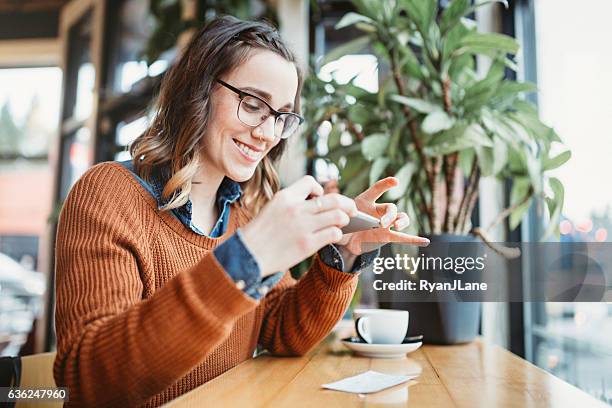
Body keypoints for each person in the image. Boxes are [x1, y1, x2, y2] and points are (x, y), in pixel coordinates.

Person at [53, 15, 429, 407]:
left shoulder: (245, 212)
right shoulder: (109, 194)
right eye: (252, 104)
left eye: (282, 116)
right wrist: (244, 260)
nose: (267, 133)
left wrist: (343, 257)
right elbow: (89, 379)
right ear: (196, 91)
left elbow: (283, 332)